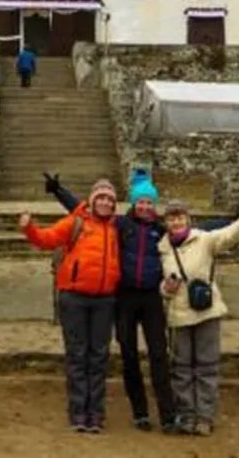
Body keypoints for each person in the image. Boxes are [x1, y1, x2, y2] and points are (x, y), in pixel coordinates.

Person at [44, 168, 176, 433]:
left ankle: (168, 414)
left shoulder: (161, 231)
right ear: (133, 204)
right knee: (128, 355)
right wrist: (59, 191)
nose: (145, 206)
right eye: (140, 201)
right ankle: (139, 412)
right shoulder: (121, 224)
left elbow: (190, 234)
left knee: (159, 354)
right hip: (124, 297)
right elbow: (84, 208)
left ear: (155, 205)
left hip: (151, 297)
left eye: (149, 202)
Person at [19, 179, 120, 434]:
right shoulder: (75, 223)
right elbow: (46, 239)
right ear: (92, 201)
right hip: (75, 298)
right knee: (77, 355)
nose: (105, 202)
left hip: (104, 300)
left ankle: (96, 413)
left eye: (109, 199)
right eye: (101, 198)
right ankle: (78, 412)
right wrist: (29, 228)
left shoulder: (117, 228)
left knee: (99, 357)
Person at [159, 199, 239, 436]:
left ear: (188, 220)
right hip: (179, 316)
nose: (176, 222)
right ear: (166, 222)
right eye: (172, 218)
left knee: (206, 367)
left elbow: (230, 234)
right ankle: (186, 414)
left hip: (206, 313)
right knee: (181, 368)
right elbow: (159, 284)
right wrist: (165, 288)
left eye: (180, 217)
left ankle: (204, 416)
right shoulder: (162, 249)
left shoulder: (204, 240)